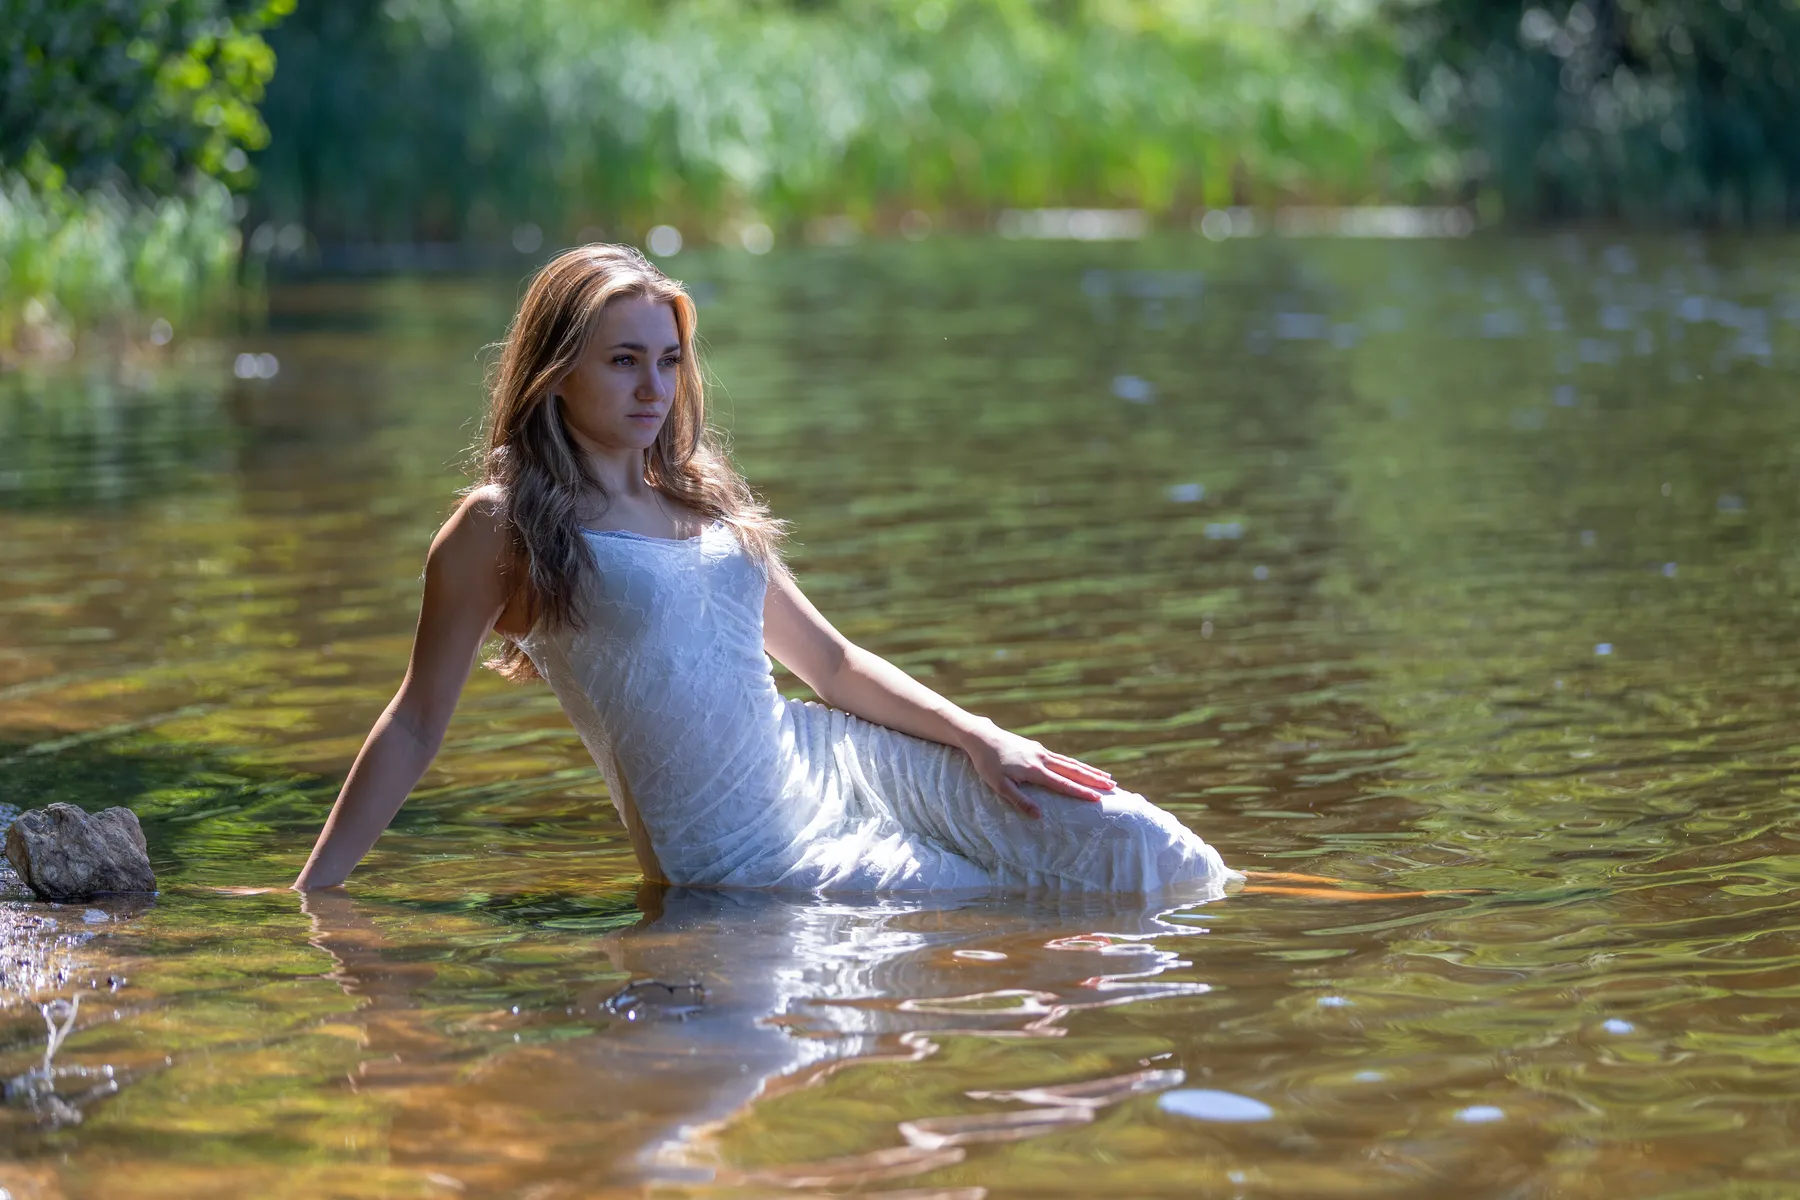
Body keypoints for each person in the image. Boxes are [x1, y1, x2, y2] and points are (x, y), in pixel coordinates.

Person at [292, 244, 1238, 894]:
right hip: (737, 851)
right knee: (979, 912)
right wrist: (314, 896)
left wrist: (980, 737)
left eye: (667, 361)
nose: (654, 388)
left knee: (1141, 848)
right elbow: (415, 722)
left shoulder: (703, 495)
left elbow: (827, 664)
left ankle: (1348, 909)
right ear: (556, 371)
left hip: (831, 763)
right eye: (624, 361)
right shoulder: (503, 528)